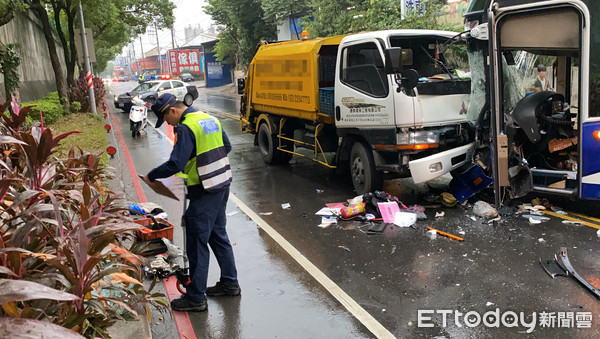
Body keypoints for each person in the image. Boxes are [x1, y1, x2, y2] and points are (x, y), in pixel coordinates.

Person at [142, 93, 240, 312]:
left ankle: (196, 297)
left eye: (166, 118)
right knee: (218, 236)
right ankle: (230, 283)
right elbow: (227, 146)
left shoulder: (186, 127)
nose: (167, 123)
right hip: (222, 185)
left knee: (197, 244)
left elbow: (176, 163)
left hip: (204, 191)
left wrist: (152, 175)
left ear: (173, 110)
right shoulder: (209, 118)